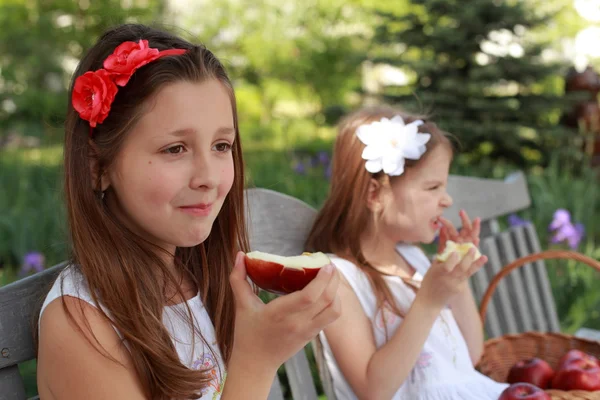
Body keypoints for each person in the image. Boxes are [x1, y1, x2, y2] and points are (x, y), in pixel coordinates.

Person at [36, 23, 341, 400]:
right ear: (97, 168)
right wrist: (258, 361)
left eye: (221, 145)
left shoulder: (200, 276)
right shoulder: (82, 325)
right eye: (175, 149)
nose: (209, 178)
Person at [305, 106, 509, 399]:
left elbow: (472, 355)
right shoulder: (341, 281)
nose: (446, 199)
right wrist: (428, 301)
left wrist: (457, 281)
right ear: (375, 194)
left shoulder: (413, 259)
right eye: (433, 187)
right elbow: (373, 390)